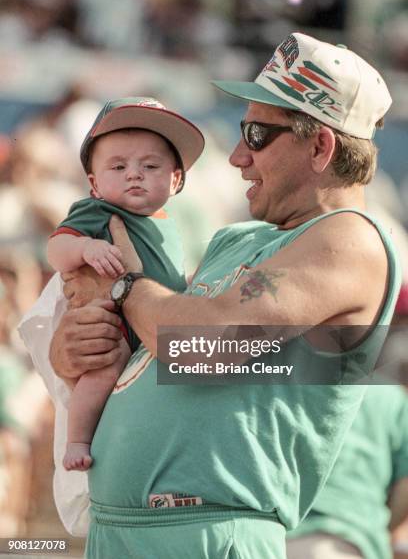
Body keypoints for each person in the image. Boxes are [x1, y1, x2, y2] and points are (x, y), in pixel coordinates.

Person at [20, 32, 401, 558]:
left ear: (320, 146)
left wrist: (126, 284)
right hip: (129, 529)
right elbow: (159, 346)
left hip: (206, 533)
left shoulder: (351, 236)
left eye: (256, 134)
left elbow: (197, 345)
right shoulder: (237, 239)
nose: (237, 157)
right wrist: (75, 352)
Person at [46, 96, 204, 472]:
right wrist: (85, 247)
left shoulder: (170, 225)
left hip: (155, 337)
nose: (134, 174)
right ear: (94, 183)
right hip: (113, 326)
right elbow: (56, 249)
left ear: (176, 179)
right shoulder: (97, 212)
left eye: (150, 166)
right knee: (103, 367)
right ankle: (78, 439)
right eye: (118, 166)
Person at [286, 383, 408, 559]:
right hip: (346, 542)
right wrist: (382, 529)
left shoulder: (283, 384)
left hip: (273, 538)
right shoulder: (393, 400)